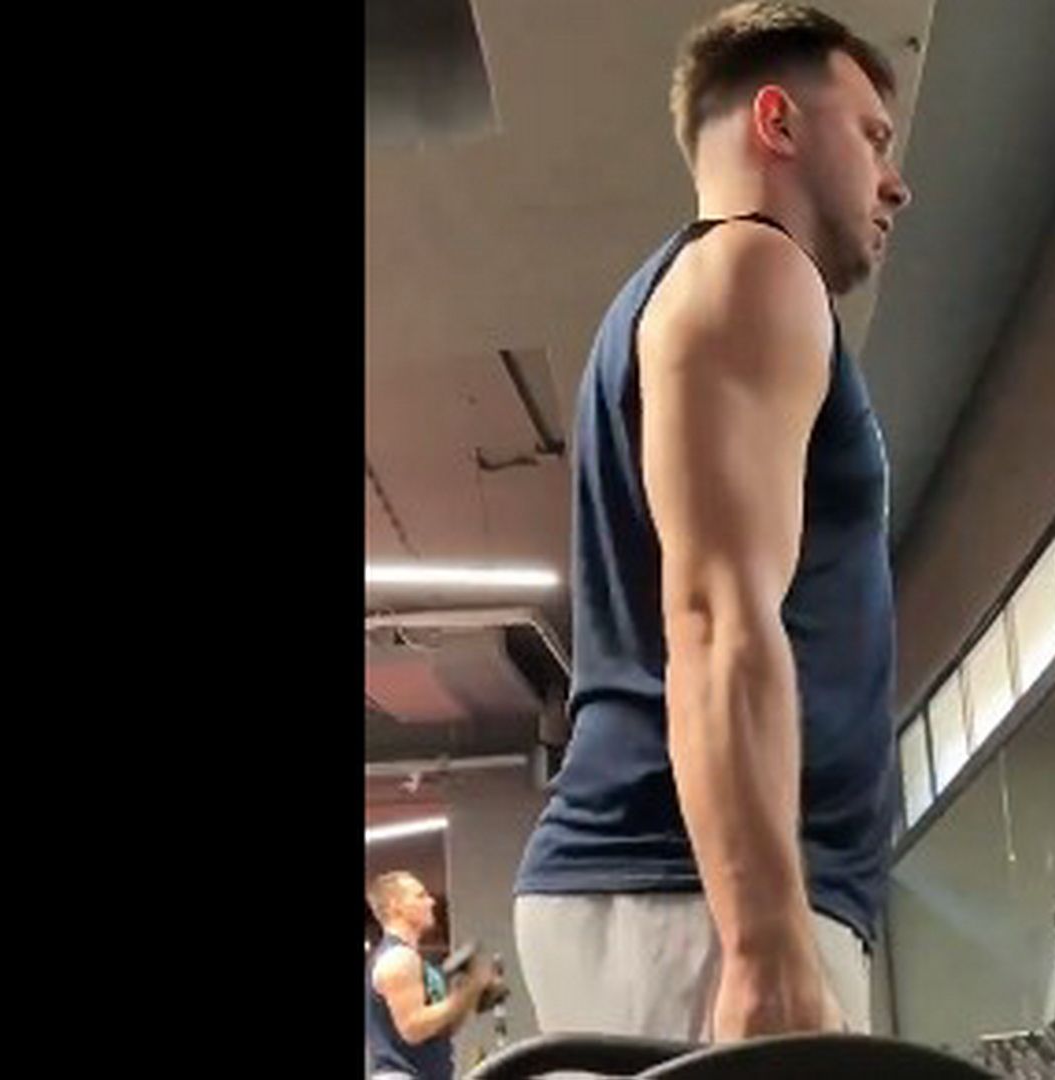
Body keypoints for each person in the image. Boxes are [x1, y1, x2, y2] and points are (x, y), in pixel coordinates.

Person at [512, 0, 912, 1044]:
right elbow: (715, 616)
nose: (895, 181)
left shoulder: (698, 291)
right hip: (698, 896)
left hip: (684, 893)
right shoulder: (752, 269)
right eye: (872, 137)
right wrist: (765, 948)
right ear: (778, 123)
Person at [366, 872, 497, 1080]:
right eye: (420, 896)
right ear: (395, 906)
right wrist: (466, 992)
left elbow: (442, 1028)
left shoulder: (416, 962)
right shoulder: (398, 958)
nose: (431, 902)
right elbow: (413, 1028)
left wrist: (470, 994)